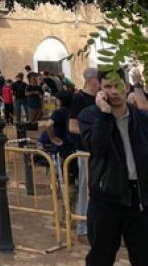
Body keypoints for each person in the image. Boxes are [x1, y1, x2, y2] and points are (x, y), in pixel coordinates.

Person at [77, 70, 147, 266]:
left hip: (139, 198)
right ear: (100, 89)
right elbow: (96, 148)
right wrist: (104, 115)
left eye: (118, 85)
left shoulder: (141, 118)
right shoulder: (90, 116)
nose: (114, 91)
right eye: (108, 86)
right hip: (106, 197)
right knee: (101, 256)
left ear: (127, 86)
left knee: (143, 256)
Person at [68, 67, 99, 239]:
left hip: (100, 150)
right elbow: (72, 126)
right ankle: (83, 227)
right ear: (90, 80)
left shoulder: (101, 98)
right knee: (85, 188)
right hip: (84, 150)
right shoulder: (79, 98)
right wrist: (92, 133)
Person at [46, 91, 75, 163]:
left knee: (61, 164)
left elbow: (48, 124)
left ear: (60, 101)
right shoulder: (73, 111)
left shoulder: (58, 112)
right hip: (72, 142)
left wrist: (52, 138)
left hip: (61, 141)